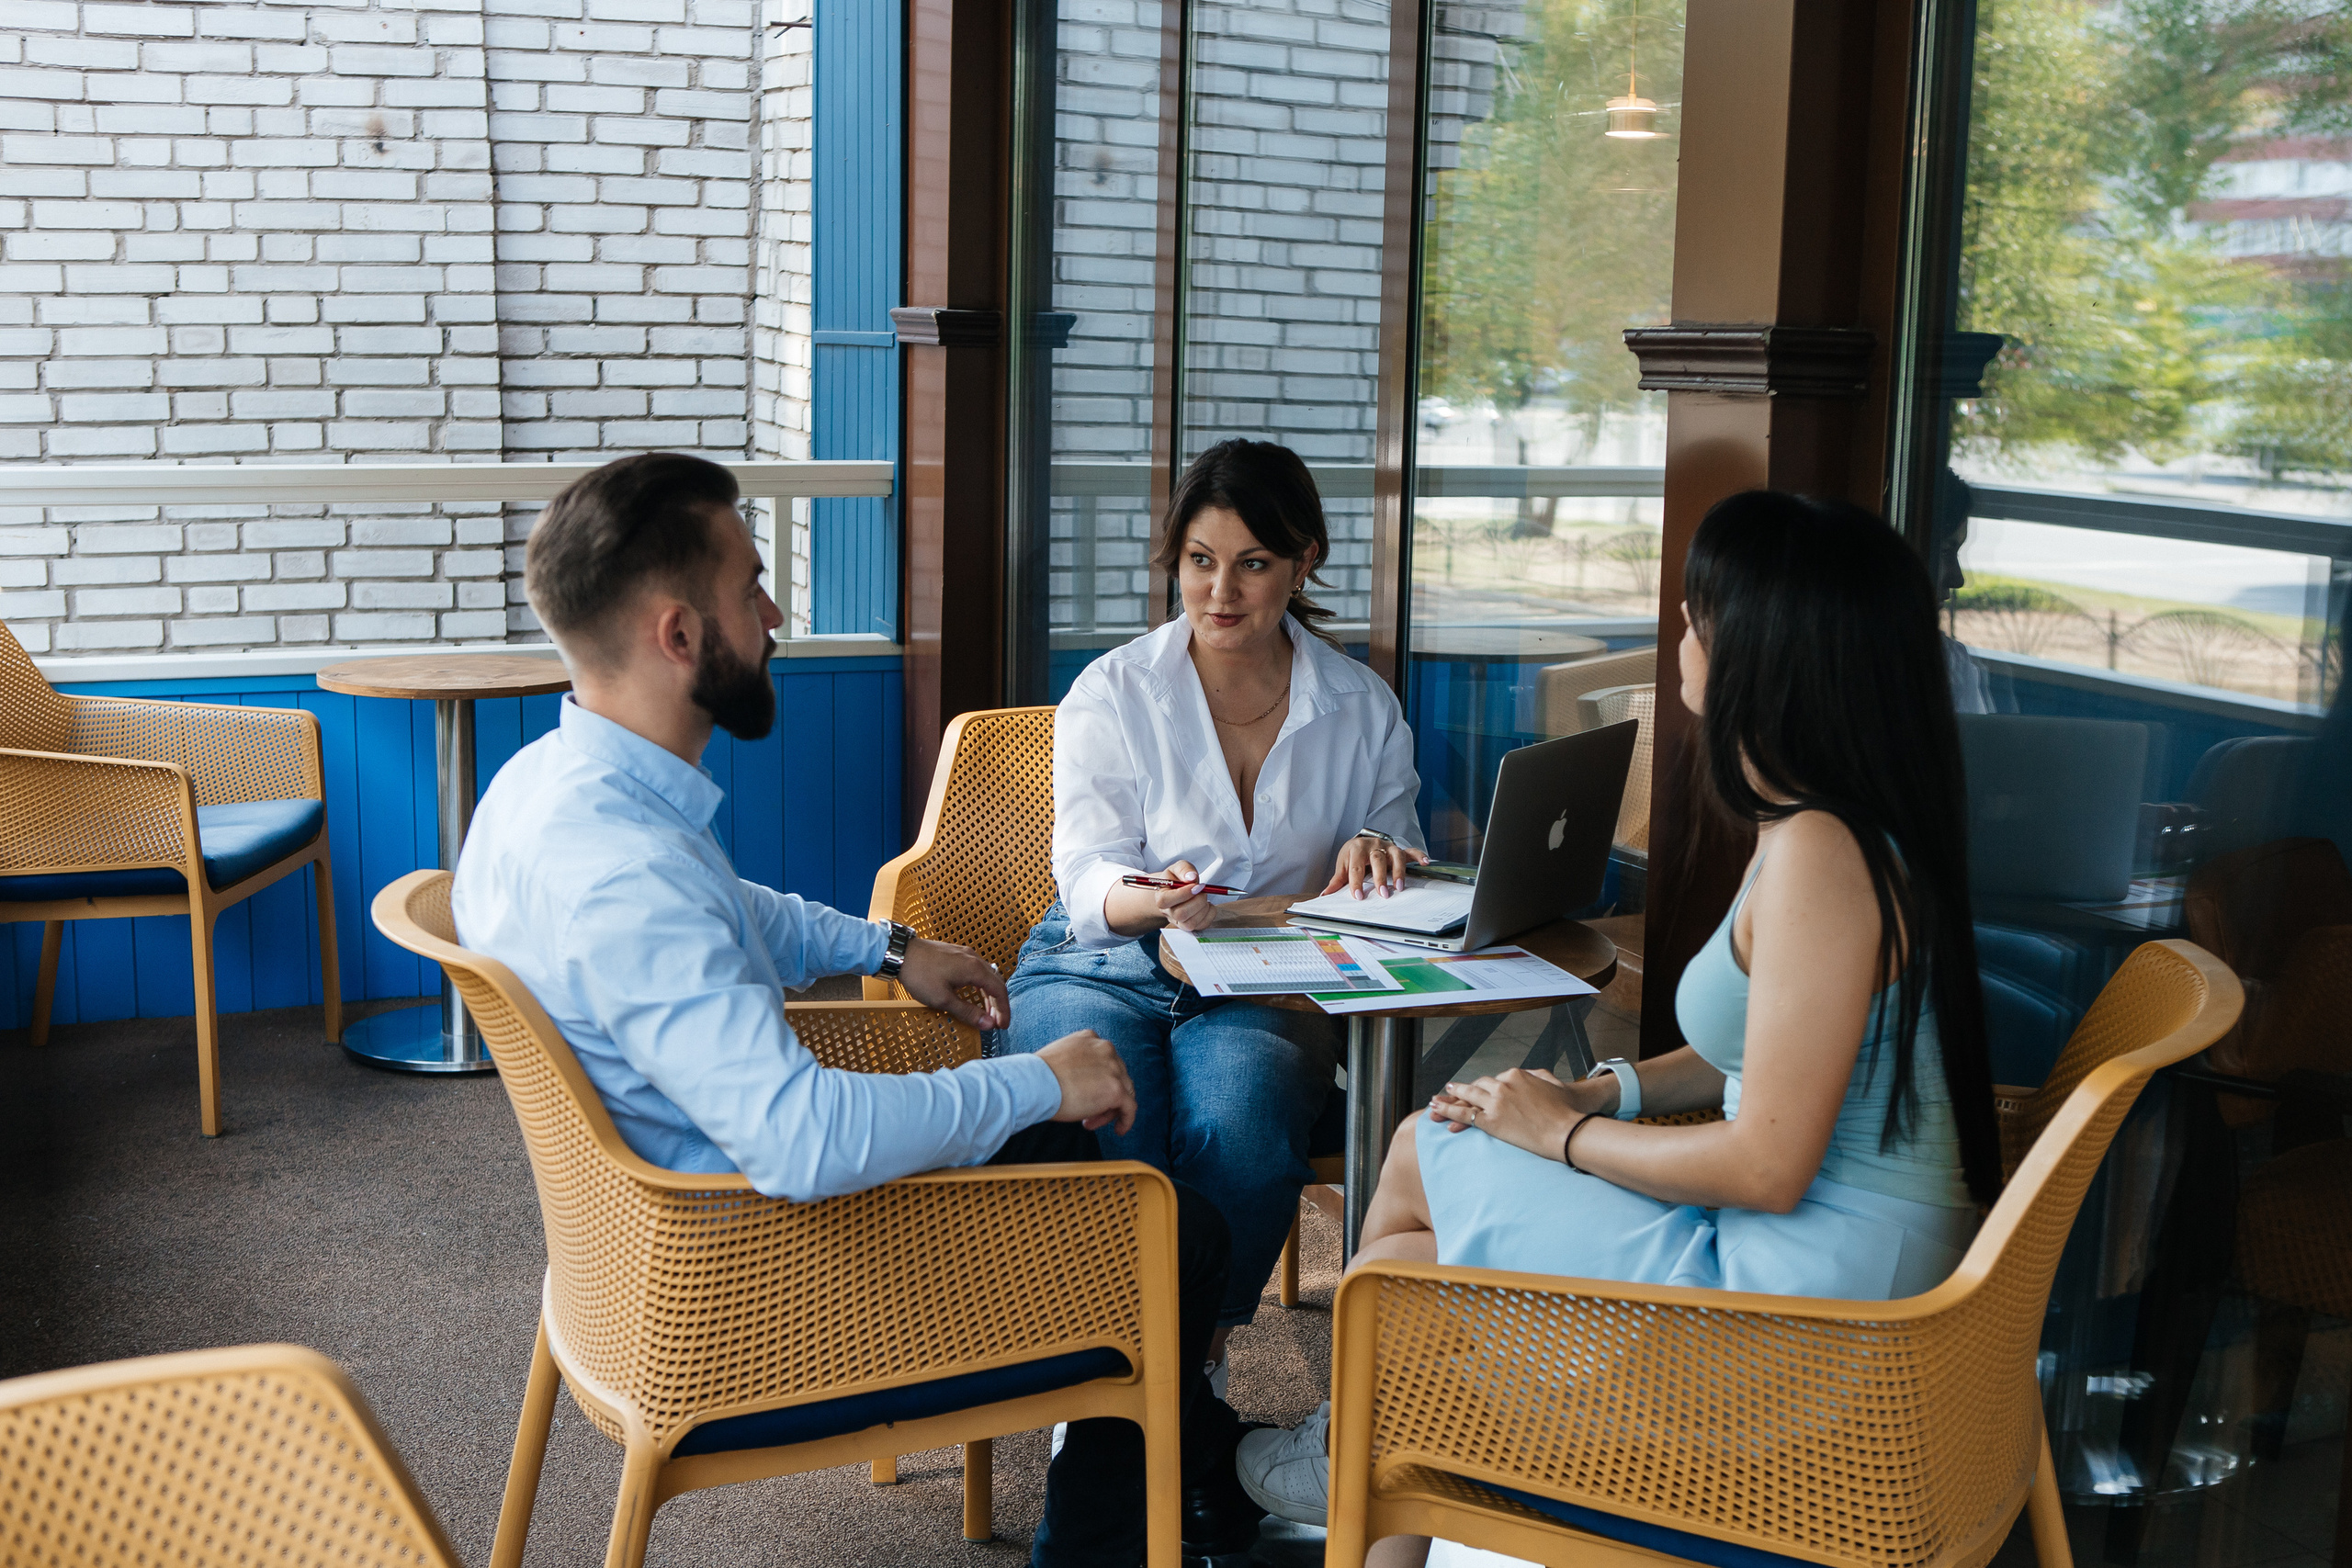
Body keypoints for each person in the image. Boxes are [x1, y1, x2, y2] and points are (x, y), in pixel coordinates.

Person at [450, 453, 1262, 1566]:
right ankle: (1148, 1521)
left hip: (645, 1253)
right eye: (752, 588)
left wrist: (888, 946)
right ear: (681, 636)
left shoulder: (552, 790)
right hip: (763, 1282)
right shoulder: (623, 873)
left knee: (1100, 1163)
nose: (776, 614)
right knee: (1171, 1228)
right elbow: (801, 1142)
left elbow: (723, 910)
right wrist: (1036, 1078)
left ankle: (1191, 1478)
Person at [1236, 491, 2005, 1562]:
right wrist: (1606, 1093)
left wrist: (1556, 1134)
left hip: (1806, 1313)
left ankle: (1362, 1455)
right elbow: (1762, 1058)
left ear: (1756, 653)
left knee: (1411, 1200)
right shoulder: (1839, 831)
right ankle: (1374, 1461)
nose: (1679, 638)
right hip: (1819, 1265)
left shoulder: (1823, 856)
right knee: (1407, 1241)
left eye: (1694, 617)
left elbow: (1769, 1164)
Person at [996, 438, 1427, 1367]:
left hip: (1261, 978)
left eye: (1252, 564)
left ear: (1303, 559)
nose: (1219, 592)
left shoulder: (1361, 706)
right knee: (1110, 1118)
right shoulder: (1115, 691)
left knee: (1240, 1124)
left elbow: (1395, 850)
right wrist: (1145, 898)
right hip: (1103, 958)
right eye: (1200, 562)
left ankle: (1189, 1360)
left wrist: (1375, 849)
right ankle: (1101, 1368)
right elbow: (1085, 874)